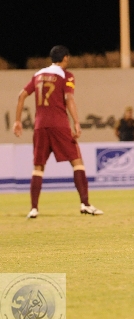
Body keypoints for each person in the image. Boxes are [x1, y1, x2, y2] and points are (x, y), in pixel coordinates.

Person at [12, 45, 102, 218]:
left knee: (38, 167)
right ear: (66, 58)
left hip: (40, 126)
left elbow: (21, 96)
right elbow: (69, 98)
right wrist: (76, 122)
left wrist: (17, 121)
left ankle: (34, 208)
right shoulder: (66, 75)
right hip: (59, 125)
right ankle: (85, 204)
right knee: (77, 162)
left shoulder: (38, 75)